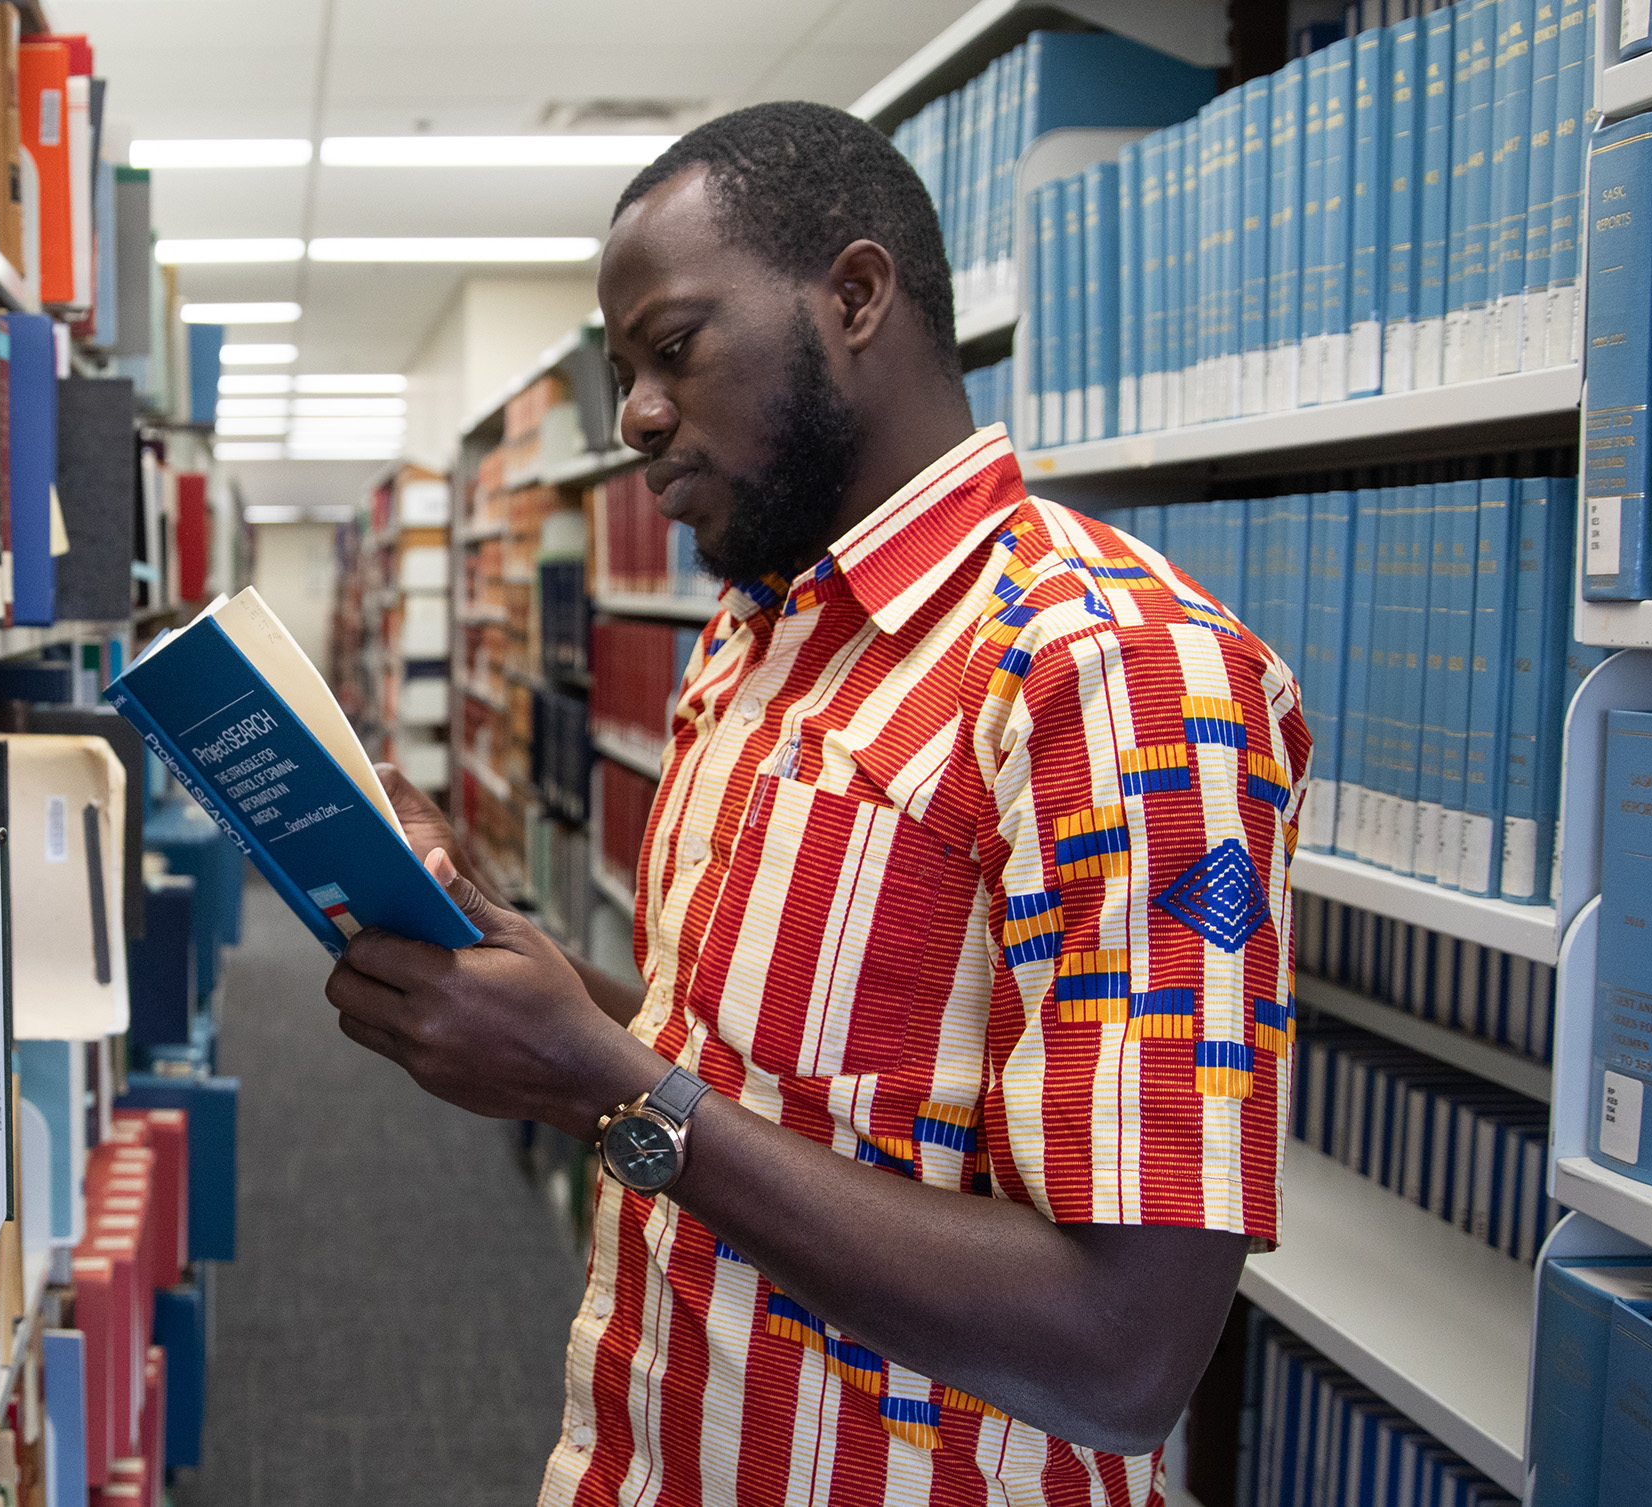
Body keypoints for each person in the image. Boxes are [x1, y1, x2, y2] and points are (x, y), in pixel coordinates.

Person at [327, 100, 1308, 1506]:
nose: (635, 419)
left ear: (855, 297)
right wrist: (509, 974)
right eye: (622, 373)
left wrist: (609, 1088)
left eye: (674, 349)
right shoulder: (755, 640)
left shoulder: (1117, 677)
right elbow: (733, 1071)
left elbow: (1122, 1354)